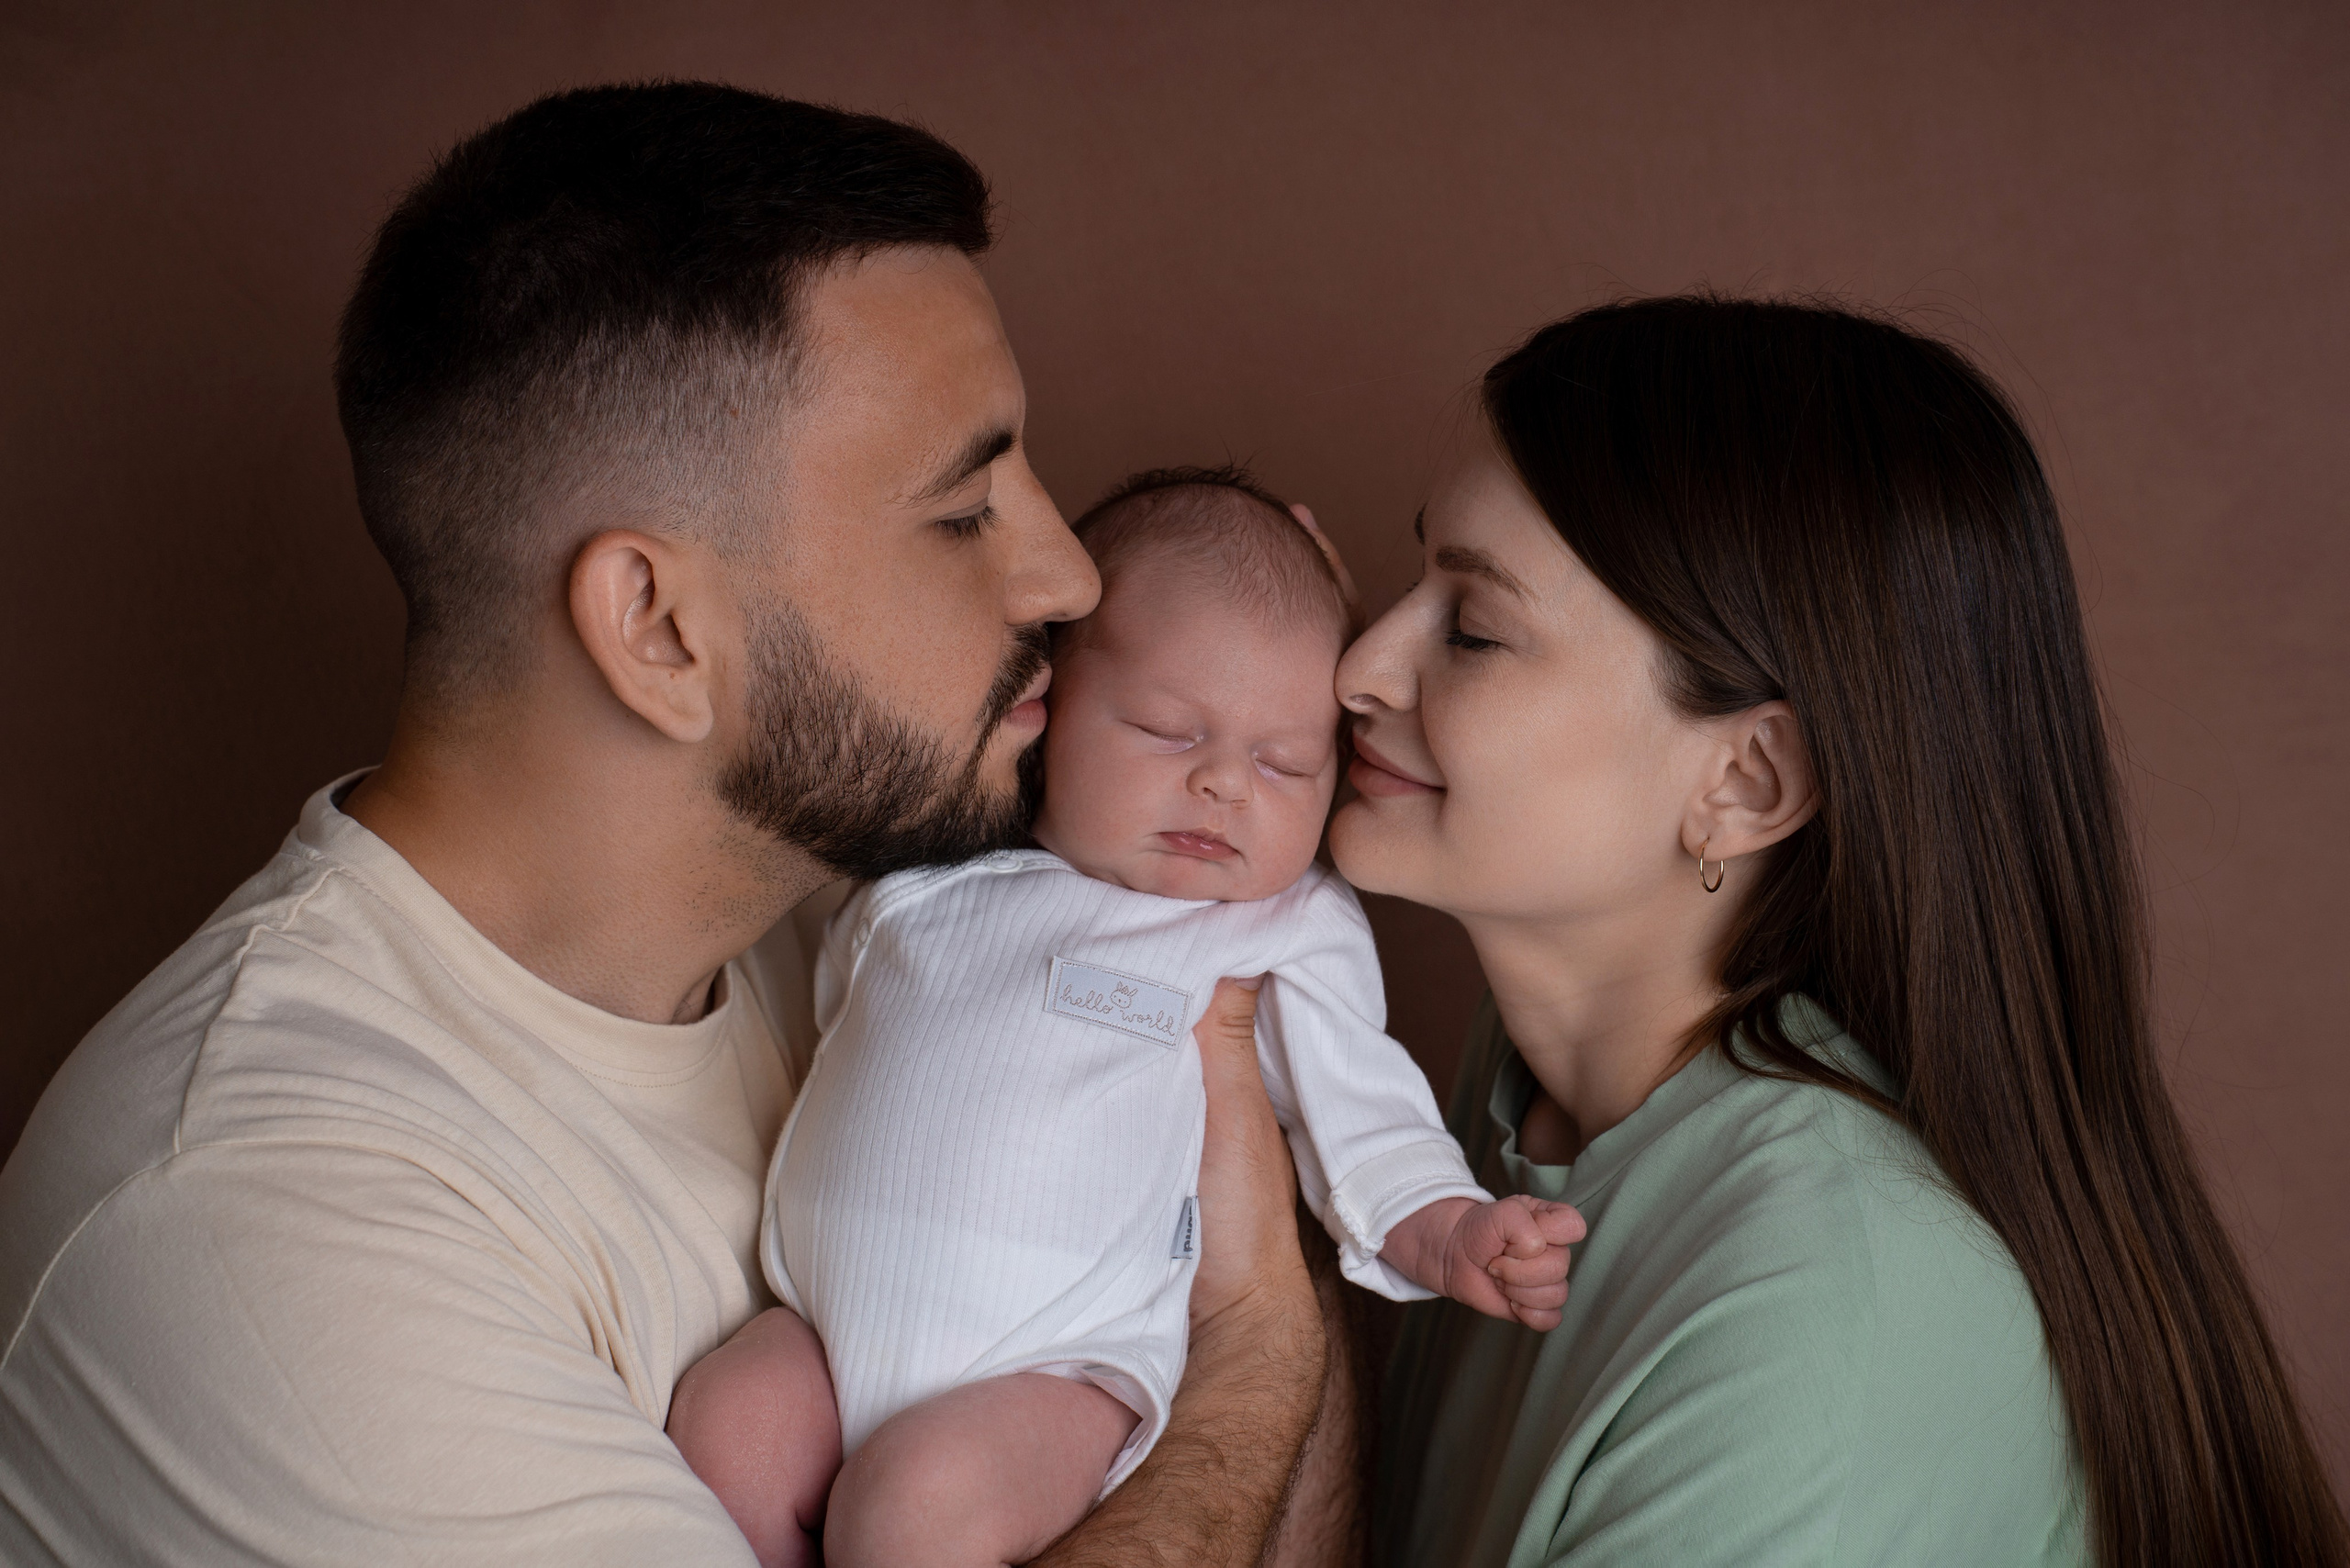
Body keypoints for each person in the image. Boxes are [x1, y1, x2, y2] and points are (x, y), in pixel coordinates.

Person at [0, 83, 1337, 1566]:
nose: (1066, 578)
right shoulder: (270, 1230)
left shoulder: (867, 916)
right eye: (965, 512)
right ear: (659, 627)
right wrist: (1254, 1339)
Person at [1345, 296, 2350, 1568]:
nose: (1360, 666)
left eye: (1474, 629)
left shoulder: (1828, 1302)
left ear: (1746, 784)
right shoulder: (1527, 1092)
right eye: (1416, 576)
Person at [666, 469, 1582, 1567]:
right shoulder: (933, 882)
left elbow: (1366, 1118)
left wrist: (1452, 1229)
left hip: (1059, 1373)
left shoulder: (1276, 929)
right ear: (1043, 717)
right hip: (824, 1328)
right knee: (729, 1428)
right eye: (1162, 730)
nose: (1223, 787)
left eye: (1286, 762)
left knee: (911, 1510)